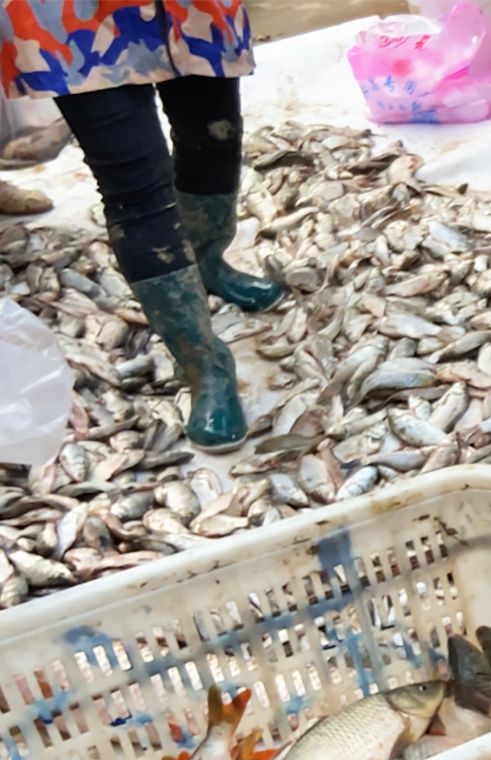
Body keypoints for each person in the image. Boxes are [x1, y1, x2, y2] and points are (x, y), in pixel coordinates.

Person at [0, 1, 283, 450]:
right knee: (133, 185)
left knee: (214, 137)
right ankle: (203, 364)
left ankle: (208, 263)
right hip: (72, 17)